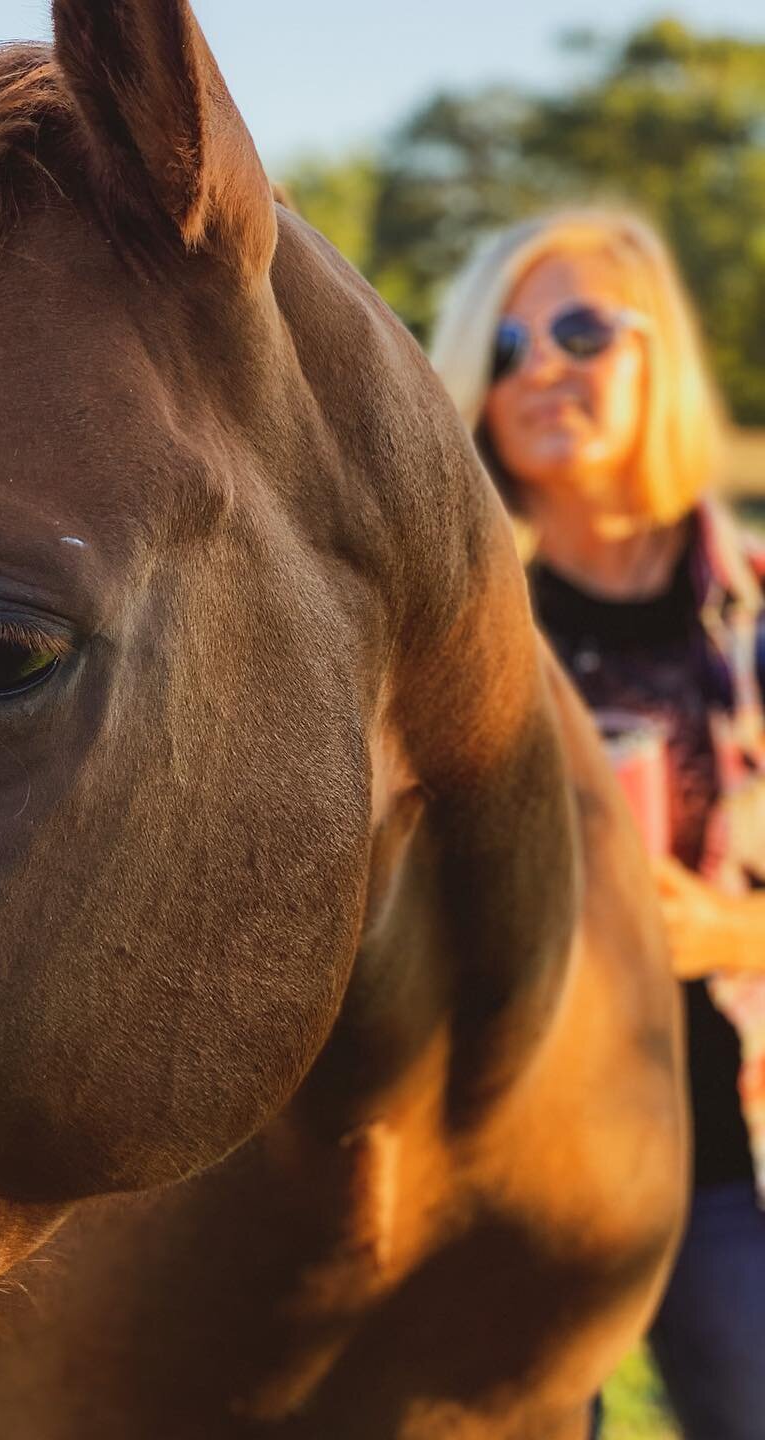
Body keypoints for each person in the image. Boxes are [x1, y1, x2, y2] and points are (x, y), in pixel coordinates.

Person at [431, 210, 765, 1439]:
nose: (540, 368)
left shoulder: (753, 622)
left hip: (730, 1156)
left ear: (659, 354)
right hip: (511, 1165)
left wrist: (727, 928)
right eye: (507, 345)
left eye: (578, 330)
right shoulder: (460, 637)